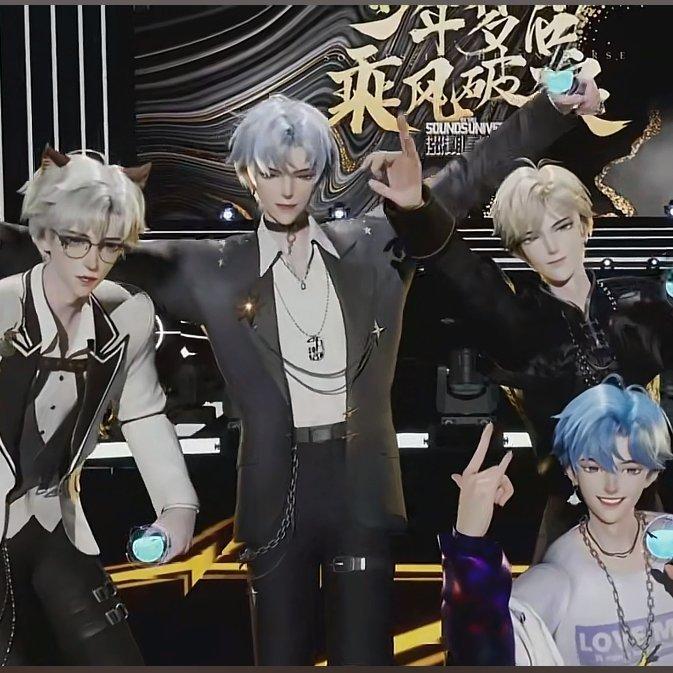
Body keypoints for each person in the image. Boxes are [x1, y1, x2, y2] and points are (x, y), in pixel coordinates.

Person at [0, 81, 600, 664]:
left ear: (320, 175)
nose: (287, 189)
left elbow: (471, 174)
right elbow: (75, 243)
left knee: (364, 656)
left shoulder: (375, 243)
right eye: (272, 173)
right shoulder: (212, 268)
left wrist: (553, 107)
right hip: (275, 488)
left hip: (360, 483)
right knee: (280, 655)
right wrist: (74, 199)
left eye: (302, 172)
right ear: (248, 174)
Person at [385, 156, 673, 560]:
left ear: (585, 226)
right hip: (569, 522)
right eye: (532, 237)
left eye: (562, 226)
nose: (552, 248)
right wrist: (417, 208)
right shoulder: (518, 322)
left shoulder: (644, 306)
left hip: (652, 520)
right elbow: (460, 269)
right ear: (519, 250)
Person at [0, 148, 199, 664]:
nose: (93, 261)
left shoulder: (127, 313)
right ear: (44, 238)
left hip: (57, 521)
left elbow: (143, 412)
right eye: (76, 241)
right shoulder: (2, 308)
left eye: (109, 245)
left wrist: (177, 505)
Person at [441, 375, 673, 666]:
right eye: (593, 467)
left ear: (651, 474)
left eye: (630, 470)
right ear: (571, 472)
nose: (612, 486)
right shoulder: (559, 574)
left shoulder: (667, 537)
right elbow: (483, 650)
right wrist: (469, 541)